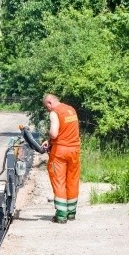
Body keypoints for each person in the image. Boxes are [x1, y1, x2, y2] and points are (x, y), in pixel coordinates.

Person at [41, 94, 81, 223]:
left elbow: (54, 133)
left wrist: (49, 137)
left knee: (59, 181)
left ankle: (61, 215)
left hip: (60, 152)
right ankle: (71, 213)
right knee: (72, 181)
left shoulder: (54, 112)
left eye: (47, 107)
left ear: (49, 102)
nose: (48, 109)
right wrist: (50, 141)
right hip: (74, 150)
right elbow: (67, 131)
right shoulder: (71, 110)